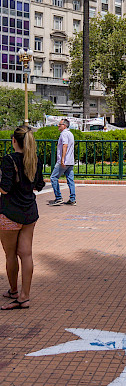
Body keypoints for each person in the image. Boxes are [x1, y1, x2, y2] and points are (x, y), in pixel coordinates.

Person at [0, 125, 45, 310]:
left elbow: (4, 188)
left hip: (10, 213)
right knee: (26, 254)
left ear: (14, 141)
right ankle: (25, 296)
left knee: (10, 255)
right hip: (29, 212)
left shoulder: (8, 160)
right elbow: (40, 185)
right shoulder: (35, 160)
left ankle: (13, 291)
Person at [49, 119, 76, 206]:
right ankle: (72, 199)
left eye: (59, 124)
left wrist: (62, 159)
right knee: (70, 180)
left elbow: (65, 145)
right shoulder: (70, 134)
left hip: (64, 161)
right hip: (70, 161)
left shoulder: (64, 134)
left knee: (53, 177)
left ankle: (58, 198)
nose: (58, 126)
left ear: (64, 125)